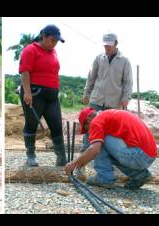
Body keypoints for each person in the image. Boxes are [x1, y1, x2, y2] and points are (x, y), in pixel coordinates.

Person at [65, 107, 157, 190]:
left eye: (86, 128)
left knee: (99, 141)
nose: (89, 131)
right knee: (105, 147)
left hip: (138, 155)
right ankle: (141, 175)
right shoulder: (108, 115)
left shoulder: (96, 121)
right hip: (149, 155)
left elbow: (95, 149)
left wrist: (74, 163)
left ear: (88, 119)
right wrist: (81, 162)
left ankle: (104, 178)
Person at [19, 24, 67, 167]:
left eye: (56, 41)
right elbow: (24, 71)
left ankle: (61, 156)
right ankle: (31, 155)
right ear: (44, 36)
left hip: (52, 95)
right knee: (32, 123)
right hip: (35, 93)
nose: (54, 43)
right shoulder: (30, 50)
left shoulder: (53, 52)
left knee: (56, 124)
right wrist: (27, 93)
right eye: (52, 40)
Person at [83, 33, 133, 111]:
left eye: (109, 45)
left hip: (113, 104)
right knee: (93, 122)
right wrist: (86, 93)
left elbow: (128, 82)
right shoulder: (98, 58)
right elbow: (91, 77)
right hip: (96, 101)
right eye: (105, 45)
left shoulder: (124, 61)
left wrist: (126, 98)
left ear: (116, 43)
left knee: (110, 123)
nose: (107, 48)